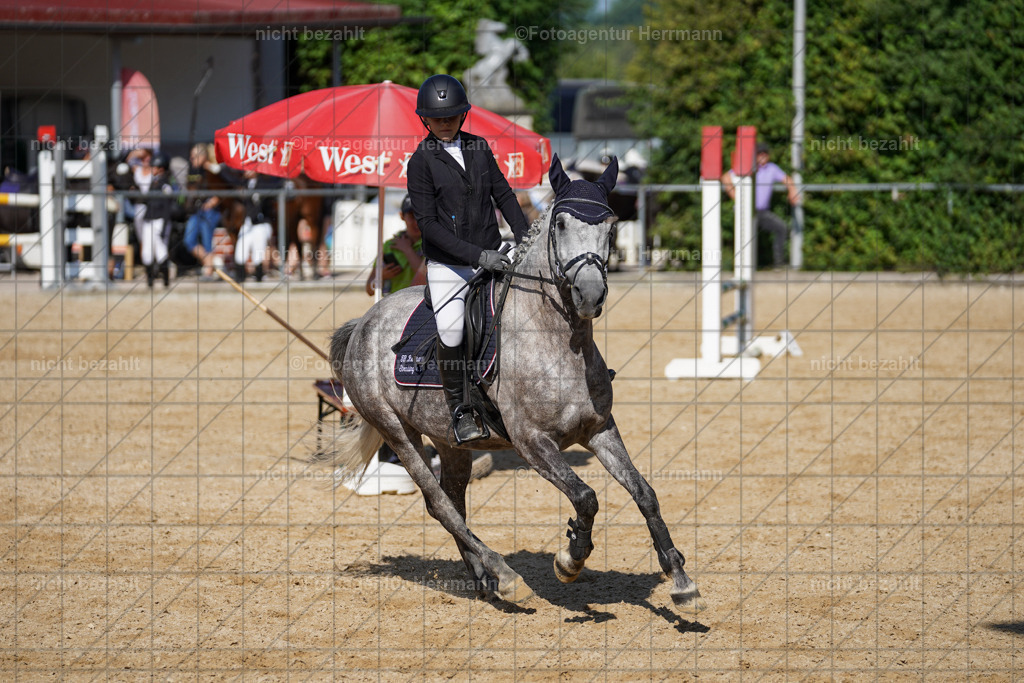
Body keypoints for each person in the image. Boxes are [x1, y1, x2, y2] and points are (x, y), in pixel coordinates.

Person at [407, 73, 530, 444]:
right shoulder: (421, 161)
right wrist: (478, 256)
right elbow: (429, 226)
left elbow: (504, 195)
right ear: (426, 120)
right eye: (437, 118)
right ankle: (460, 409)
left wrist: (524, 237)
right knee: (451, 328)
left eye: (451, 117)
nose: (445, 123)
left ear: (462, 115)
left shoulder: (478, 146)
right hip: (451, 265)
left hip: (494, 250)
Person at [721, 142, 801, 269]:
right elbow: (726, 177)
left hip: (762, 212)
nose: (762, 156)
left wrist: (792, 191)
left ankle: (778, 264)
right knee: (745, 238)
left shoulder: (772, 168)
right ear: (755, 155)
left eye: (765, 153)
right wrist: (737, 197)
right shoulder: (748, 167)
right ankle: (740, 266)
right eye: (760, 153)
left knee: (781, 228)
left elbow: (787, 179)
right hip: (745, 211)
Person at [183, 144, 230, 281]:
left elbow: (224, 188)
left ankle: (208, 271)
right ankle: (212, 262)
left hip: (210, 212)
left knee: (207, 239)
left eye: (194, 156)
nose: (192, 159)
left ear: (203, 156)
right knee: (189, 240)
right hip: (196, 210)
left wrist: (213, 201)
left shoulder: (212, 170)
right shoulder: (192, 171)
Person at [365, 194, 426, 296]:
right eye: (411, 216)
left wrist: (407, 250)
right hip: (392, 302)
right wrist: (381, 277)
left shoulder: (432, 244)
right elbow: (369, 290)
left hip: (420, 302)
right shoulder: (389, 246)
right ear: (402, 216)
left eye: (419, 216)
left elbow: (426, 277)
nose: (416, 222)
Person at [132, 152, 176, 287]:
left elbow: (167, 207)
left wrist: (164, 225)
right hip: (149, 219)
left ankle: (165, 281)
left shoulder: (165, 185)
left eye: (154, 167)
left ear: (161, 169)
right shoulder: (153, 182)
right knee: (147, 252)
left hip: (159, 220)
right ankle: (150, 282)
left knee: (161, 251)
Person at [233, 170, 277, 282]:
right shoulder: (243, 183)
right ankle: (240, 278)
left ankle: (258, 277)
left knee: (258, 251)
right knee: (241, 249)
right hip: (248, 222)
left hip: (261, 223)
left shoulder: (264, 183)